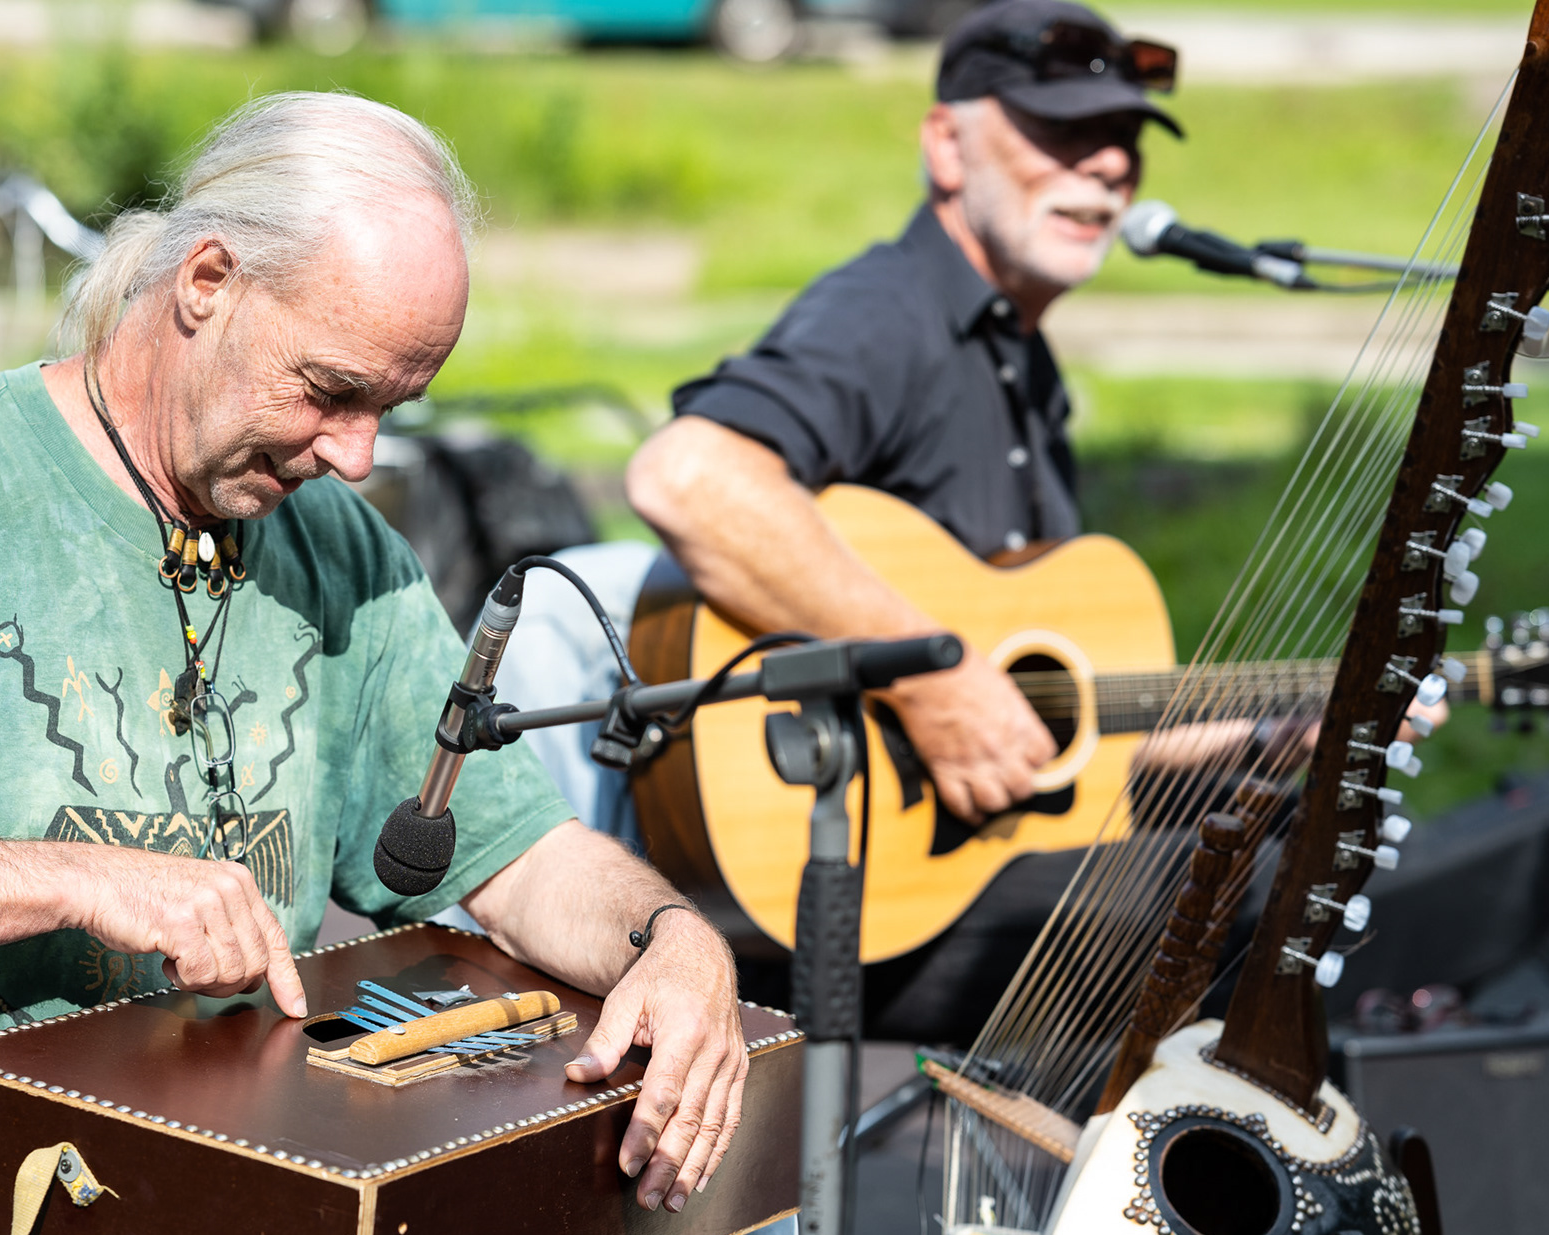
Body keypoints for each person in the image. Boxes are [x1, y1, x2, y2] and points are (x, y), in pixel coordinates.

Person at [0, 93, 791, 1235]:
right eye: (330, 390)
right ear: (207, 281)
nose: (357, 455)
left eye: (390, 409)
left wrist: (674, 945)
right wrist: (75, 879)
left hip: (226, 1164)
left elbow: (519, 855)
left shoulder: (340, 549)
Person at [500, 0, 1181, 1043]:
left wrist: (1255, 735)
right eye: (1059, 132)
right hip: (792, 886)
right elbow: (690, 474)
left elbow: (1042, 708)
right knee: (1226, 907)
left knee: (1238, 862)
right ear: (946, 145)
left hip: (922, 870)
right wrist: (932, 678)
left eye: (1123, 142)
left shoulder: (1024, 367)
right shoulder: (890, 315)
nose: (1102, 168)